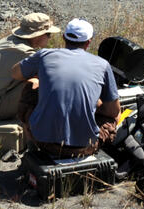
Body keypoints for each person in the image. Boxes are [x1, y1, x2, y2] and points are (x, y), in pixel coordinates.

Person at [12, 18, 120, 157]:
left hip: (42, 141)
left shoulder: (44, 55)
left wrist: (40, 78)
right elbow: (113, 111)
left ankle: (31, 145)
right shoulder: (103, 64)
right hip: (85, 146)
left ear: (64, 37)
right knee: (117, 113)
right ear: (89, 42)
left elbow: (15, 73)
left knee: (31, 86)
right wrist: (96, 105)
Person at [0, 12, 60, 120]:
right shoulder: (23, 52)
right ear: (39, 35)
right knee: (40, 84)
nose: (49, 38)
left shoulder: (8, 41)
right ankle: (35, 127)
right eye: (48, 34)